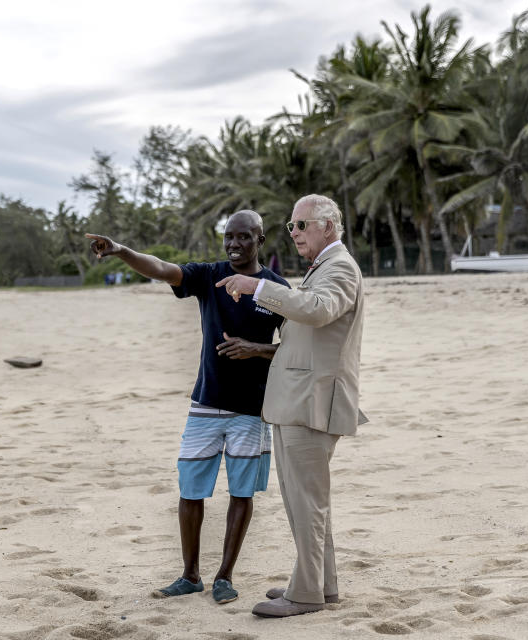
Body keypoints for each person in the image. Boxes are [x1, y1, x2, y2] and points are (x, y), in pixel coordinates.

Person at [86, 210, 289, 605]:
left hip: (251, 409)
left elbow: (297, 348)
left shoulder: (276, 289)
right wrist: (122, 250)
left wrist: (256, 349)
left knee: (242, 493)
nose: (234, 244)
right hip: (206, 404)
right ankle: (190, 575)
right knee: (191, 490)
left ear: (260, 240)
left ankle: (224, 577)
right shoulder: (209, 276)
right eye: (229, 236)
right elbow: (162, 269)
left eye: (244, 237)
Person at [216, 194, 367, 618]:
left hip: (311, 402)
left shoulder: (338, 266)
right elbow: (309, 328)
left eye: (302, 225)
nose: (295, 232)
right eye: (292, 226)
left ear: (328, 228)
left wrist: (258, 286)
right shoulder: (327, 265)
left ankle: (305, 594)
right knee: (308, 500)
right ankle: (320, 582)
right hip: (300, 398)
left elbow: (318, 311)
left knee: (307, 502)